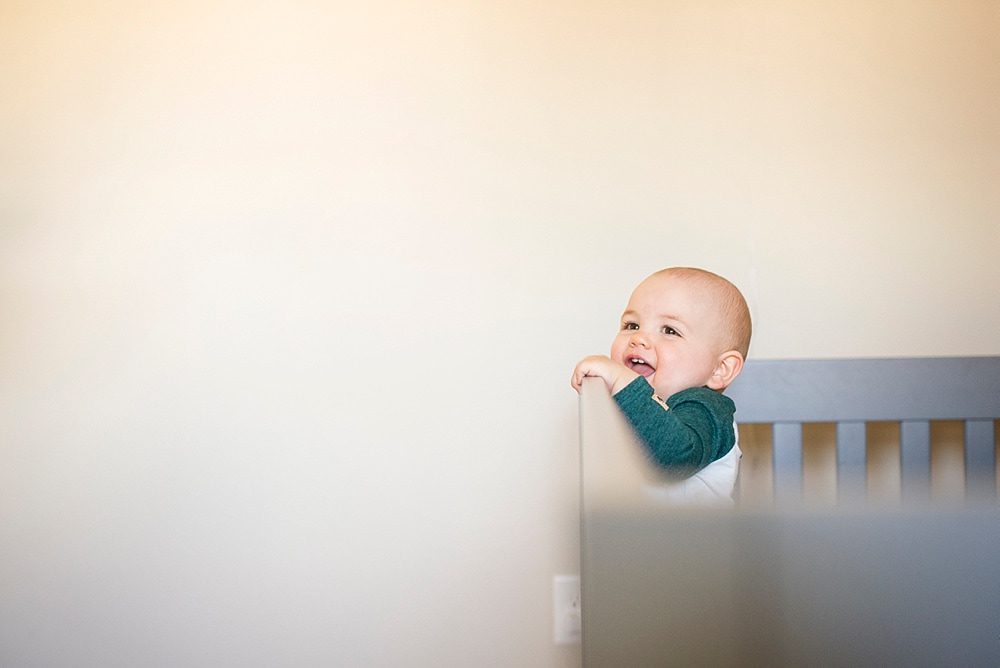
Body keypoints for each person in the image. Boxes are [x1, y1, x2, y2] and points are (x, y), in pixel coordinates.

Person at [571, 267, 752, 503]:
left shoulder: (707, 409)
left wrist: (624, 382)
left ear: (720, 369)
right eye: (632, 325)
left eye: (669, 330)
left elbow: (674, 458)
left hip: (699, 539)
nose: (638, 338)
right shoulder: (637, 406)